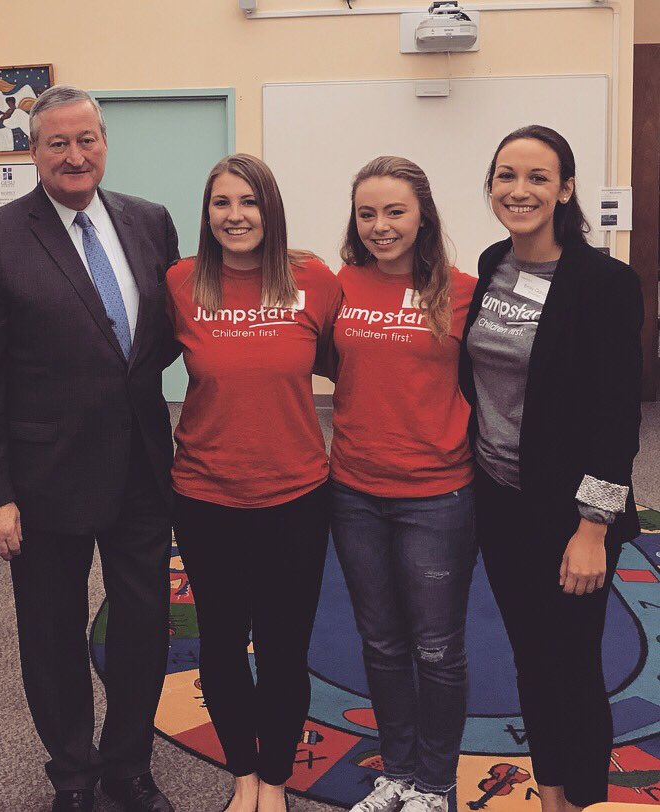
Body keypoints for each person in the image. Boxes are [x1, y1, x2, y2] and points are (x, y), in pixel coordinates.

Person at [0, 84, 180, 812]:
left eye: (87, 140)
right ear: (34, 151)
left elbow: (161, 340)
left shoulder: (150, 222)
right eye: (58, 144)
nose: (76, 156)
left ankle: (129, 766)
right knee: (50, 635)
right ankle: (73, 774)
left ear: (104, 142)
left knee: (144, 623)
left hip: (142, 466)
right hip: (42, 479)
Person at [461, 125, 643, 812]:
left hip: (571, 515)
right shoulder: (490, 264)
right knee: (532, 662)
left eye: (538, 177)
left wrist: (593, 526)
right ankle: (554, 796)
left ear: (565, 188)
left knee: (572, 668)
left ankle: (588, 800)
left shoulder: (603, 282)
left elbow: (616, 415)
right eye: (506, 175)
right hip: (501, 502)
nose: (519, 190)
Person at [165, 154, 339, 812]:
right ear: (207, 214)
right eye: (222, 204)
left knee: (283, 645)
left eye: (249, 202)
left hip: (295, 495)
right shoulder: (181, 283)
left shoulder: (314, 281)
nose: (235, 216)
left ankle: (274, 777)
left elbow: (353, 365)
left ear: (270, 209)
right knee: (221, 640)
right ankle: (242, 773)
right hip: (206, 497)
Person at [330, 156, 477, 812]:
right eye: (368, 213)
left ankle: (436, 783)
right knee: (382, 642)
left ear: (423, 215)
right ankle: (398, 770)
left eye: (395, 212)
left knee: (437, 648)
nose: (381, 226)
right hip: (354, 488)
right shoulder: (339, 286)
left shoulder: (465, 288)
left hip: (437, 495)